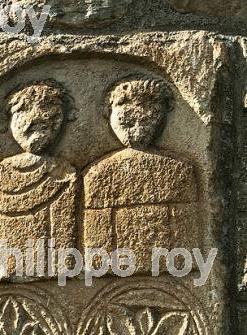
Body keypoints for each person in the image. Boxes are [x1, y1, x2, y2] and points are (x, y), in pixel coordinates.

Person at [0, 81, 77, 284]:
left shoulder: (66, 174)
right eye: (23, 114)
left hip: (45, 276)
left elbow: (64, 237)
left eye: (50, 121)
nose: (37, 121)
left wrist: (62, 269)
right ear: (9, 122)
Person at [83, 74, 200, 273]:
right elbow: (97, 247)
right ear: (108, 112)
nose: (138, 116)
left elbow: (185, 240)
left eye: (149, 109)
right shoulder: (98, 174)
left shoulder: (180, 170)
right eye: (124, 105)